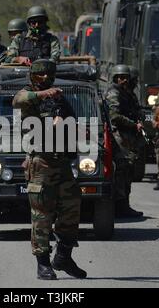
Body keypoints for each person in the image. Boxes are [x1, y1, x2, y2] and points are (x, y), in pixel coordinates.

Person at [13, 59, 87, 280]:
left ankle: (64, 256)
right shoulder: (29, 95)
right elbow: (17, 100)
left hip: (62, 162)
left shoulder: (59, 98)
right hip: (41, 163)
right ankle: (43, 263)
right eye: (40, 75)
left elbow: (72, 121)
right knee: (41, 215)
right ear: (33, 76)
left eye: (48, 75)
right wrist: (43, 95)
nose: (45, 78)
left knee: (72, 207)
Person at [105, 64, 144, 218]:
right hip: (119, 137)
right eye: (121, 77)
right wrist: (134, 124)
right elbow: (114, 116)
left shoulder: (127, 93)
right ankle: (120, 206)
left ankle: (124, 204)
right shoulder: (114, 93)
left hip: (128, 137)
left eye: (126, 77)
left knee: (128, 171)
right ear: (115, 78)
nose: (124, 80)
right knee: (122, 171)